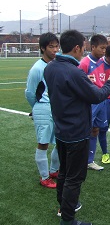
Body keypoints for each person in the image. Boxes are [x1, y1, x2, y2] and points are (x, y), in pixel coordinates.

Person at [44, 30, 110, 225]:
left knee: (65, 173)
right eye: (83, 47)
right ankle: (68, 219)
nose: (83, 51)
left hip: (61, 130)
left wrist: (86, 83)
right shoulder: (74, 71)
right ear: (76, 48)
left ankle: (64, 207)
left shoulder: (50, 67)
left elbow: (69, 91)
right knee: (74, 178)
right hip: (76, 132)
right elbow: (97, 96)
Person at [25, 32, 60, 189]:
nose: (55, 50)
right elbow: (30, 93)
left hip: (57, 108)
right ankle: (44, 177)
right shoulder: (37, 69)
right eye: (51, 46)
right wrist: (37, 107)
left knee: (61, 141)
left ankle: (54, 171)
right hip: (43, 108)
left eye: (56, 46)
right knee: (43, 143)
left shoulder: (55, 64)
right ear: (42, 48)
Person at [79, 34, 108, 171]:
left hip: (101, 100)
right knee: (85, 130)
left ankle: (90, 160)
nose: (103, 51)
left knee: (96, 129)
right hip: (90, 102)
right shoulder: (84, 62)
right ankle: (80, 159)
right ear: (93, 47)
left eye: (105, 48)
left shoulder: (103, 62)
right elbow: (78, 81)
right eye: (101, 48)